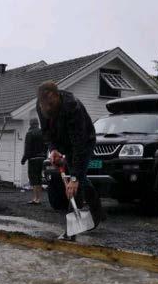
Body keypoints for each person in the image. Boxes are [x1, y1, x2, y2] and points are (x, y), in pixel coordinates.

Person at [36, 81, 104, 228]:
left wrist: (74, 178)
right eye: (43, 106)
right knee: (80, 179)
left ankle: (72, 230)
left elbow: (78, 144)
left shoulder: (72, 107)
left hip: (84, 142)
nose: (47, 108)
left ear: (56, 96)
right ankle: (97, 210)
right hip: (64, 143)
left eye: (50, 105)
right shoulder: (41, 105)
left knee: (75, 182)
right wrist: (53, 149)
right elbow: (46, 132)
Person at [20, 118, 47, 204]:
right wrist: (44, 156)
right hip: (42, 159)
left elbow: (27, 148)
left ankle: (35, 198)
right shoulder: (43, 133)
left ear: (30, 124)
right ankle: (38, 198)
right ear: (37, 124)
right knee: (39, 178)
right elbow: (46, 146)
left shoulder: (29, 133)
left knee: (34, 178)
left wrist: (23, 159)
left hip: (33, 159)